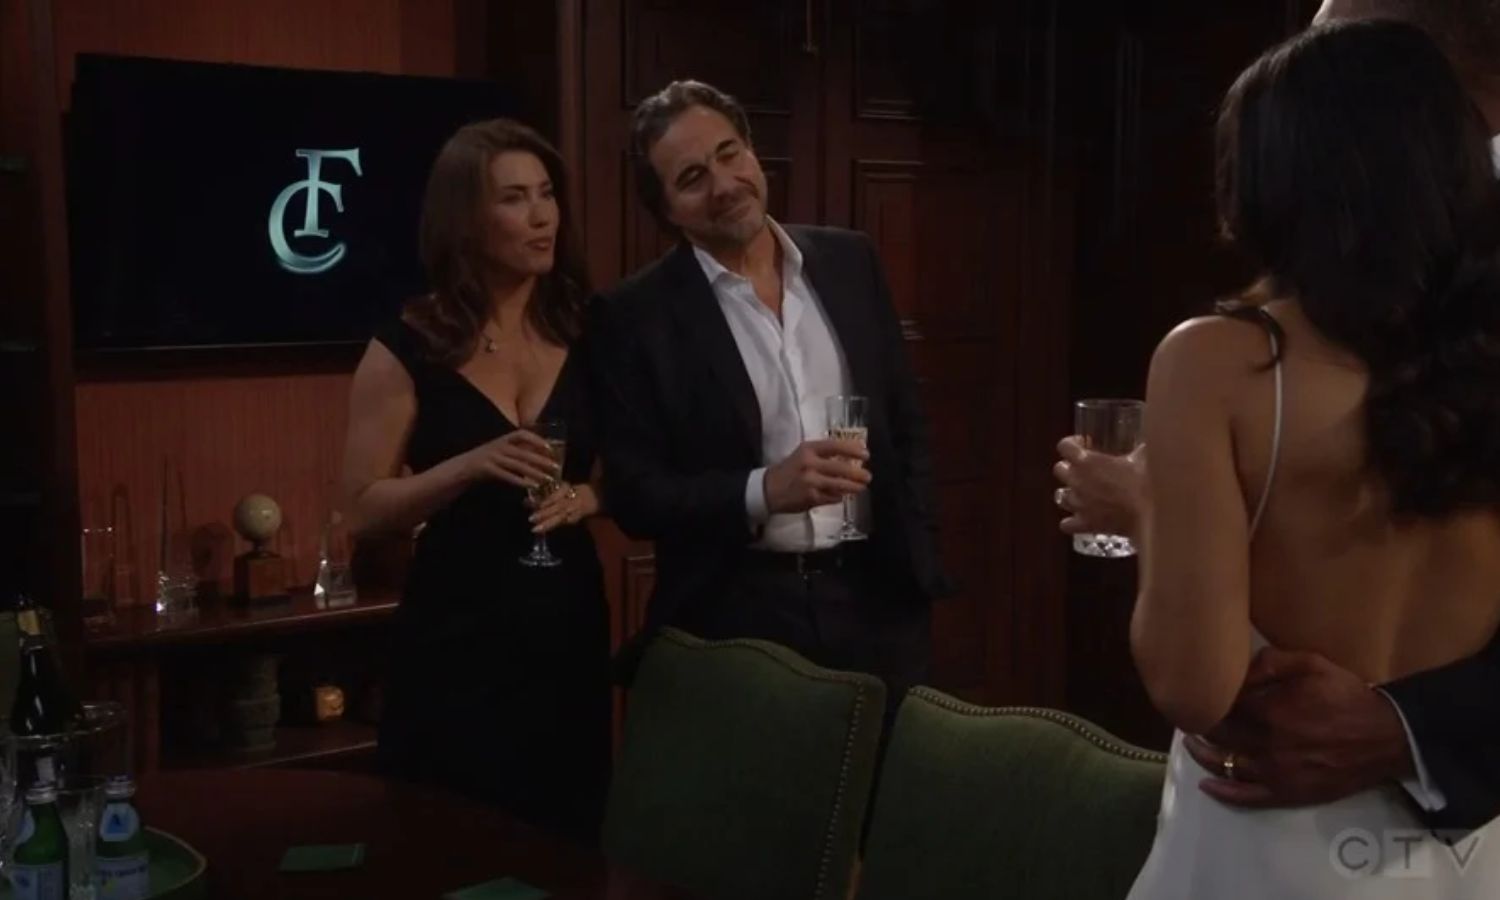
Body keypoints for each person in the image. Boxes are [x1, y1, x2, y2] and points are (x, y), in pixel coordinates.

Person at [1056, 0, 1500, 837]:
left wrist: (1150, 508)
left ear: (1267, 178)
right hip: (1463, 854)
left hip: (1269, 847)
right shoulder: (1480, 353)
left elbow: (1196, 686)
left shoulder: (1215, 362)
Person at [588, 80, 950, 720]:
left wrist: (917, 549)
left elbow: (904, 421)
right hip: (738, 615)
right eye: (693, 177)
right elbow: (636, 494)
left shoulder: (849, 260)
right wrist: (763, 490)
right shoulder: (634, 316)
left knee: (890, 783)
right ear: (667, 209)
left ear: (753, 152)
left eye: (730, 154)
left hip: (877, 603)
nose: (724, 184)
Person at [340, 119, 609, 843]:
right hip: (457, 627)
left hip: (566, 622)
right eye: (515, 199)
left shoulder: (589, 330)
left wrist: (589, 497)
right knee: (449, 837)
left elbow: (639, 469)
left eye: (547, 194)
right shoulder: (411, 342)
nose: (542, 215)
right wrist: (467, 465)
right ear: (465, 220)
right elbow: (361, 509)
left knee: (566, 838)